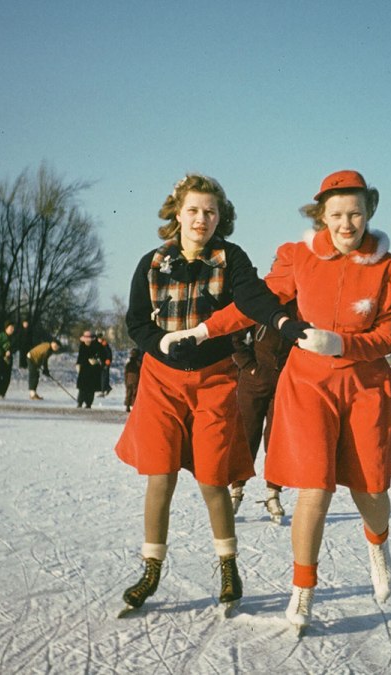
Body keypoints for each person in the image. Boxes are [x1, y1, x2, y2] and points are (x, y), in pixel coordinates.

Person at [214, 170, 391, 632]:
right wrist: (204, 329)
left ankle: (377, 542)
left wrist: (342, 345)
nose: (347, 224)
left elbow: (387, 336)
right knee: (314, 488)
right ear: (321, 215)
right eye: (337, 214)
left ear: (370, 211)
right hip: (309, 385)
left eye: (356, 213)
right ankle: (302, 590)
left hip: (364, 386)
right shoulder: (299, 257)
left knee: (370, 490)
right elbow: (254, 304)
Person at [114, 173, 291, 616]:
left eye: (210, 211)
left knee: (214, 478)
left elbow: (254, 297)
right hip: (161, 380)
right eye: (193, 210)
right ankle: (151, 569)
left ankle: (228, 567)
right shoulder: (152, 263)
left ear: (220, 217)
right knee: (161, 475)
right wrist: (159, 342)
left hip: (213, 380)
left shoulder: (230, 259)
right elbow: (136, 322)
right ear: (177, 212)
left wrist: (284, 321)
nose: (201, 219)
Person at [229, 302, 296, 521]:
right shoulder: (259, 300)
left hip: (284, 382)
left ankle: (273, 494)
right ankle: (235, 492)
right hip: (253, 381)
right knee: (247, 435)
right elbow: (234, 338)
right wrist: (250, 366)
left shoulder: (300, 304)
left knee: (277, 438)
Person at [76, 331, 102, 408]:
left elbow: (101, 355)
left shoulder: (96, 345)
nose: (88, 340)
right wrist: (78, 364)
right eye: (86, 339)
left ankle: (88, 403)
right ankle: (80, 402)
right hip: (84, 369)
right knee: (82, 388)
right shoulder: (82, 346)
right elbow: (80, 357)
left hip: (93, 370)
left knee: (91, 388)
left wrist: (96, 361)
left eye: (89, 339)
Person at [0, 321, 15, 399]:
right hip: (0, 357)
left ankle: (2, 392)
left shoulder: (13, 337)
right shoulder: (1, 336)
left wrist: (10, 352)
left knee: (7, 376)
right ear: (6, 328)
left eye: (13, 328)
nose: (12, 330)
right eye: (10, 328)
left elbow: (15, 346)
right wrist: (3, 354)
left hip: (9, 358)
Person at [123, 348, 142, 412]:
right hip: (136, 378)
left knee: (128, 392)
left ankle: (127, 406)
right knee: (134, 392)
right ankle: (133, 406)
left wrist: (126, 380)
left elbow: (126, 371)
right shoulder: (138, 362)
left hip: (129, 378)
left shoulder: (129, 361)